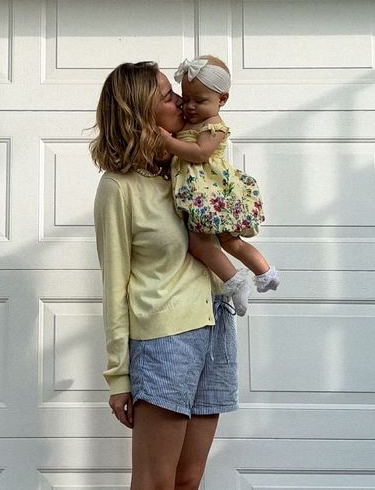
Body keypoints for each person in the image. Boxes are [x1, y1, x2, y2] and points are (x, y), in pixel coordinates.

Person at [91, 61, 238, 490]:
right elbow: (113, 287)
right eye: (166, 95)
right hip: (164, 341)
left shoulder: (189, 171)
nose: (180, 99)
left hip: (215, 326)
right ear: (141, 113)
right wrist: (119, 376)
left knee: (188, 480)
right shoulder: (119, 188)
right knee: (156, 482)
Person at [158, 56, 279, 317]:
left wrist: (168, 142)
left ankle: (256, 275)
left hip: (212, 194)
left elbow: (200, 153)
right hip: (199, 195)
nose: (189, 106)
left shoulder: (214, 126)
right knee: (215, 243)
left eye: (199, 101)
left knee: (218, 243)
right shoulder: (190, 122)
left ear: (221, 99)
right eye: (186, 98)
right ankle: (248, 279)